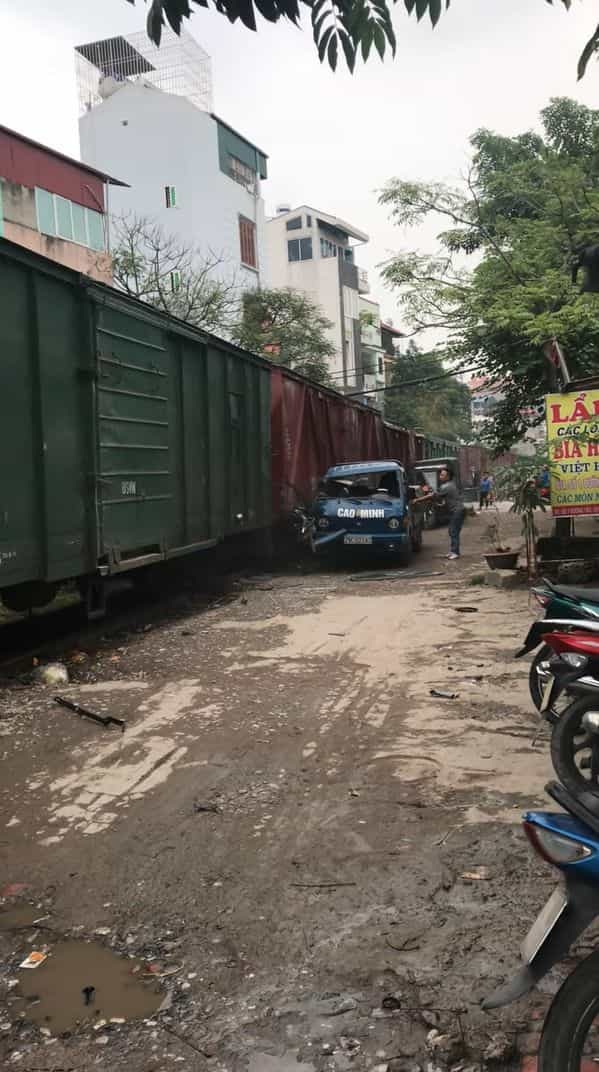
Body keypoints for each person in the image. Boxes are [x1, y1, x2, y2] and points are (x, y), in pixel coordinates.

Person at [436, 465, 466, 560]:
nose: (440, 477)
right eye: (440, 475)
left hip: (457, 511)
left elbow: (434, 496)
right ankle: (453, 550)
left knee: (453, 531)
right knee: (452, 531)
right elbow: (445, 500)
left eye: (442, 475)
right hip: (458, 510)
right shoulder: (451, 485)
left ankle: (455, 552)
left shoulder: (446, 486)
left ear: (448, 477)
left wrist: (418, 500)